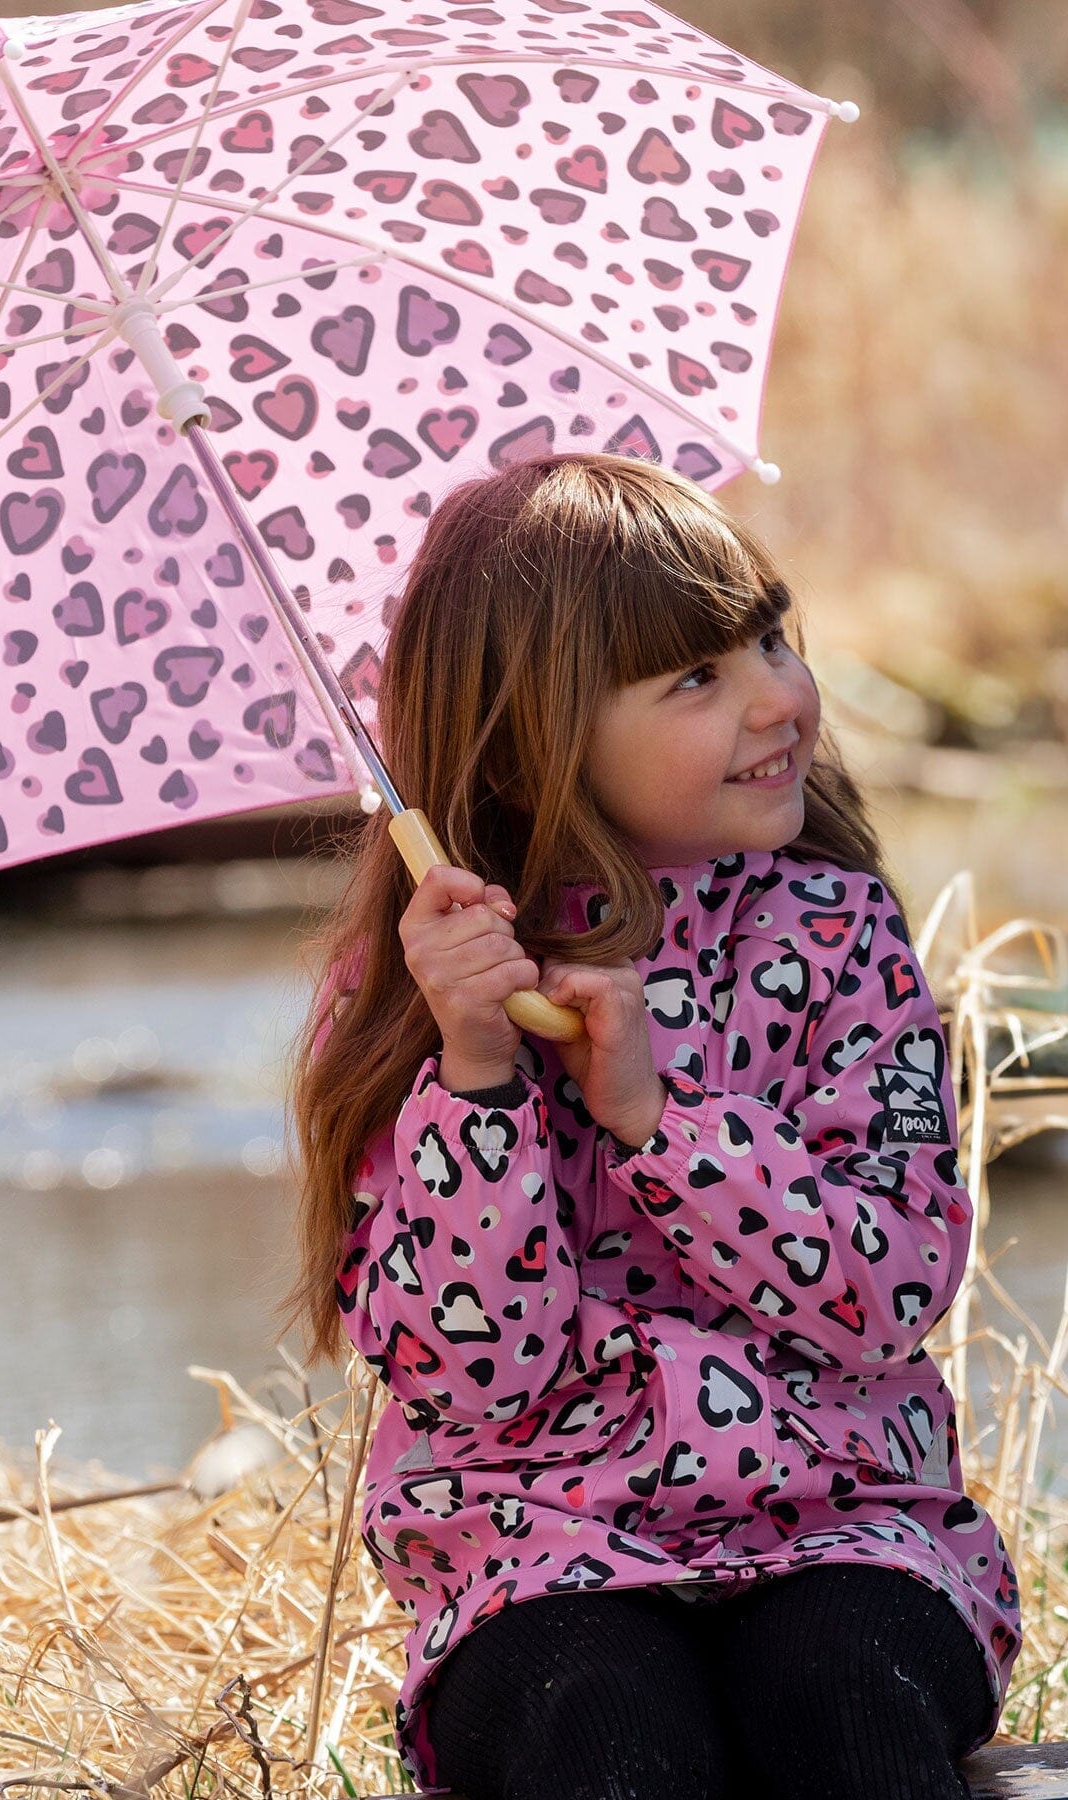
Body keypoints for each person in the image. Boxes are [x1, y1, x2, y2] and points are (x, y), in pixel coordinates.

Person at [283, 453, 1021, 1800]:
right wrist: (480, 1077)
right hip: (536, 1560)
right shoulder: (419, 992)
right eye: (698, 679)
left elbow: (891, 1285)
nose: (780, 698)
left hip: (849, 1533)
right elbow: (477, 1376)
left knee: (843, 1697)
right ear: (526, 739)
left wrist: (657, 1120)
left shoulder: (840, 937)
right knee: (606, 1731)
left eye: (771, 638)